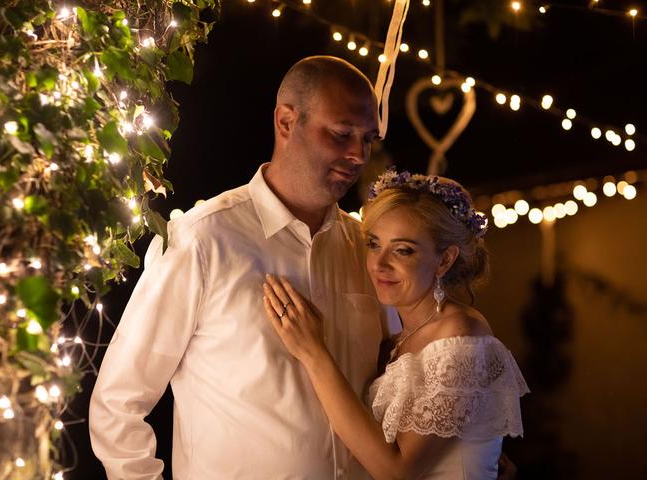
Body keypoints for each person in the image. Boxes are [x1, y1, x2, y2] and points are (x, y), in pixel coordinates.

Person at [89, 55, 385, 479]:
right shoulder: (202, 239)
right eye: (341, 134)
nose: (358, 155)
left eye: (368, 139)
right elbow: (117, 404)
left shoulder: (369, 251)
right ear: (286, 122)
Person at [263, 169, 529, 479]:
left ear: (445, 260)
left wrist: (313, 353)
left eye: (403, 250)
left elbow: (396, 472)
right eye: (374, 244)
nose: (379, 263)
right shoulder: (395, 342)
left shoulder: (462, 333)